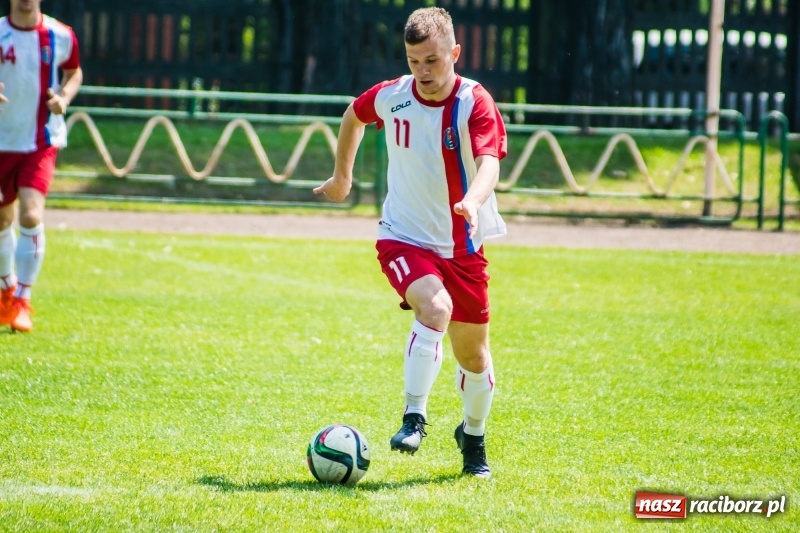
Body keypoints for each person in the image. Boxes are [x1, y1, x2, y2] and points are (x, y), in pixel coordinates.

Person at [314, 7, 507, 478]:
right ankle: (414, 416)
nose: (423, 71)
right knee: (435, 308)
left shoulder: (474, 101)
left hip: (463, 246)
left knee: (474, 358)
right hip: (403, 237)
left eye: (432, 61)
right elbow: (353, 115)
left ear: (455, 53)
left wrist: (472, 201)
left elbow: (490, 162)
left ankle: (473, 438)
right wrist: (342, 178)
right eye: (414, 61)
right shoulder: (393, 96)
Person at [0, 0, 83, 332]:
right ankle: (7, 288)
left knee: (31, 214)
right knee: (2, 220)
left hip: (41, 140)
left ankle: (23, 300)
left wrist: (64, 97)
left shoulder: (60, 34)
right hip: (2, 141)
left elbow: (74, 72)